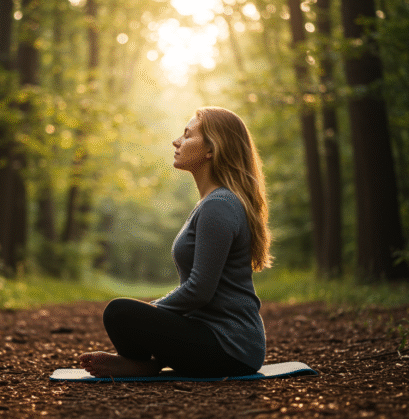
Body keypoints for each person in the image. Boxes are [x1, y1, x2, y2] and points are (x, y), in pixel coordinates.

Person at [79, 106, 272, 378]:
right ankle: (144, 364)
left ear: (211, 150)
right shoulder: (213, 203)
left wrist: (150, 311)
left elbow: (199, 291)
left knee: (120, 312)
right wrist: (152, 315)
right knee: (125, 312)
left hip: (229, 347)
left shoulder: (219, 205)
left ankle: (140, 364)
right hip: (217, 339)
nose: (177, 141)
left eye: (187, 135)